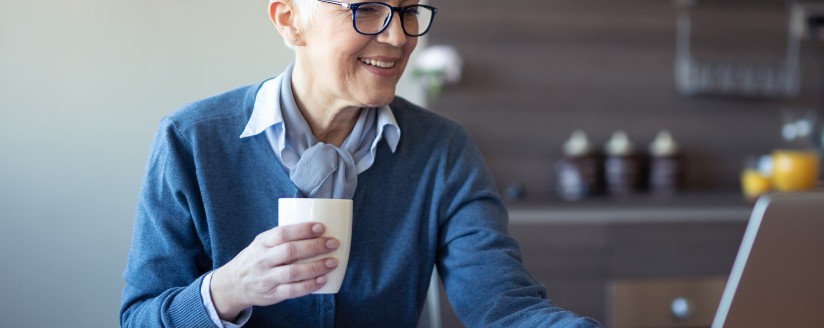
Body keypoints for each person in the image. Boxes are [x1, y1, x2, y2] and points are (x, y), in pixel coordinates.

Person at [119, 0, 601, 326]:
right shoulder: (192, 142)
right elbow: (140, 317)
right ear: (289, 20)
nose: (397, 36)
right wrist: (227, 290)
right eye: (366, 9)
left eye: (408, 10)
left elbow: (502, 306)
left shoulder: (442, 150)